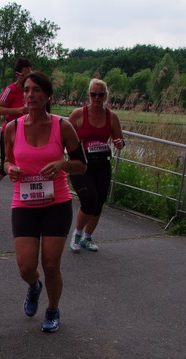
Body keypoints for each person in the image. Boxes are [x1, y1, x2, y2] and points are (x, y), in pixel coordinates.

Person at [4, 71, 87, 332]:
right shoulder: (12, 128)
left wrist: (62, 164)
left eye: (36, 90)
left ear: (48, 96)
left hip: (56, 203)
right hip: (24, 204)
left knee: (51, 264)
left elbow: (81, 165)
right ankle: (34, 285)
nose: (30, 95)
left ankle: (52, 309)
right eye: (27, 90)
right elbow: (6, 161)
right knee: (26, 267)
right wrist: (10, 169)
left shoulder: (63, 126)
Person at [67, 78, 126, 252]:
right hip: (81, 164)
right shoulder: (78, 114)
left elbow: (119, 139)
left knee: (99, 202)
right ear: (89, 95)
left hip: (102, 163)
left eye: (100, 94)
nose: (97, 98)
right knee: (89, 200)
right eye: (93, 94)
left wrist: (119, 143)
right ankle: (77, 234)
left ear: (105, 96)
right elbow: (63, 136)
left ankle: (87, 237)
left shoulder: (111, 117)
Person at [0, 59, 33, 211]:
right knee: (6, 167)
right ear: (17, 74)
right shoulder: (10, 90)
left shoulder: (32, 89)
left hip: (27, 132)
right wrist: (18, 110)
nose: (28, 78)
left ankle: (29, 198)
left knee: (27, 165)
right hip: (9, 132)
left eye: (30, 74)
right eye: (25, 75)